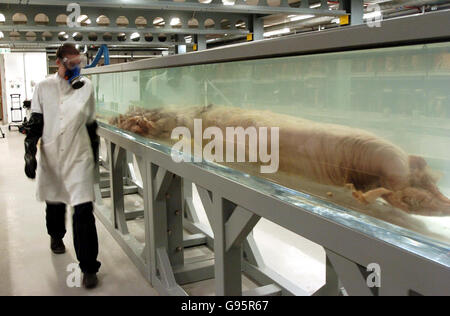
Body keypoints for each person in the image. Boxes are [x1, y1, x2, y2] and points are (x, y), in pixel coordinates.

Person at [23, 43, 101, 289]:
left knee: (83, 211)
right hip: (53, 153)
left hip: (79, 155)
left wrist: (95, 156)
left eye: (79, 63)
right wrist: (29, 153)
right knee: (55, 202)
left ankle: (88, 266)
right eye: (71, 64)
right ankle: (56, 236)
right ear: (58, 62)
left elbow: (91, 124)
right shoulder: (43, 87)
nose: (76, 68)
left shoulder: (86, 86)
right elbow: (35, 123)